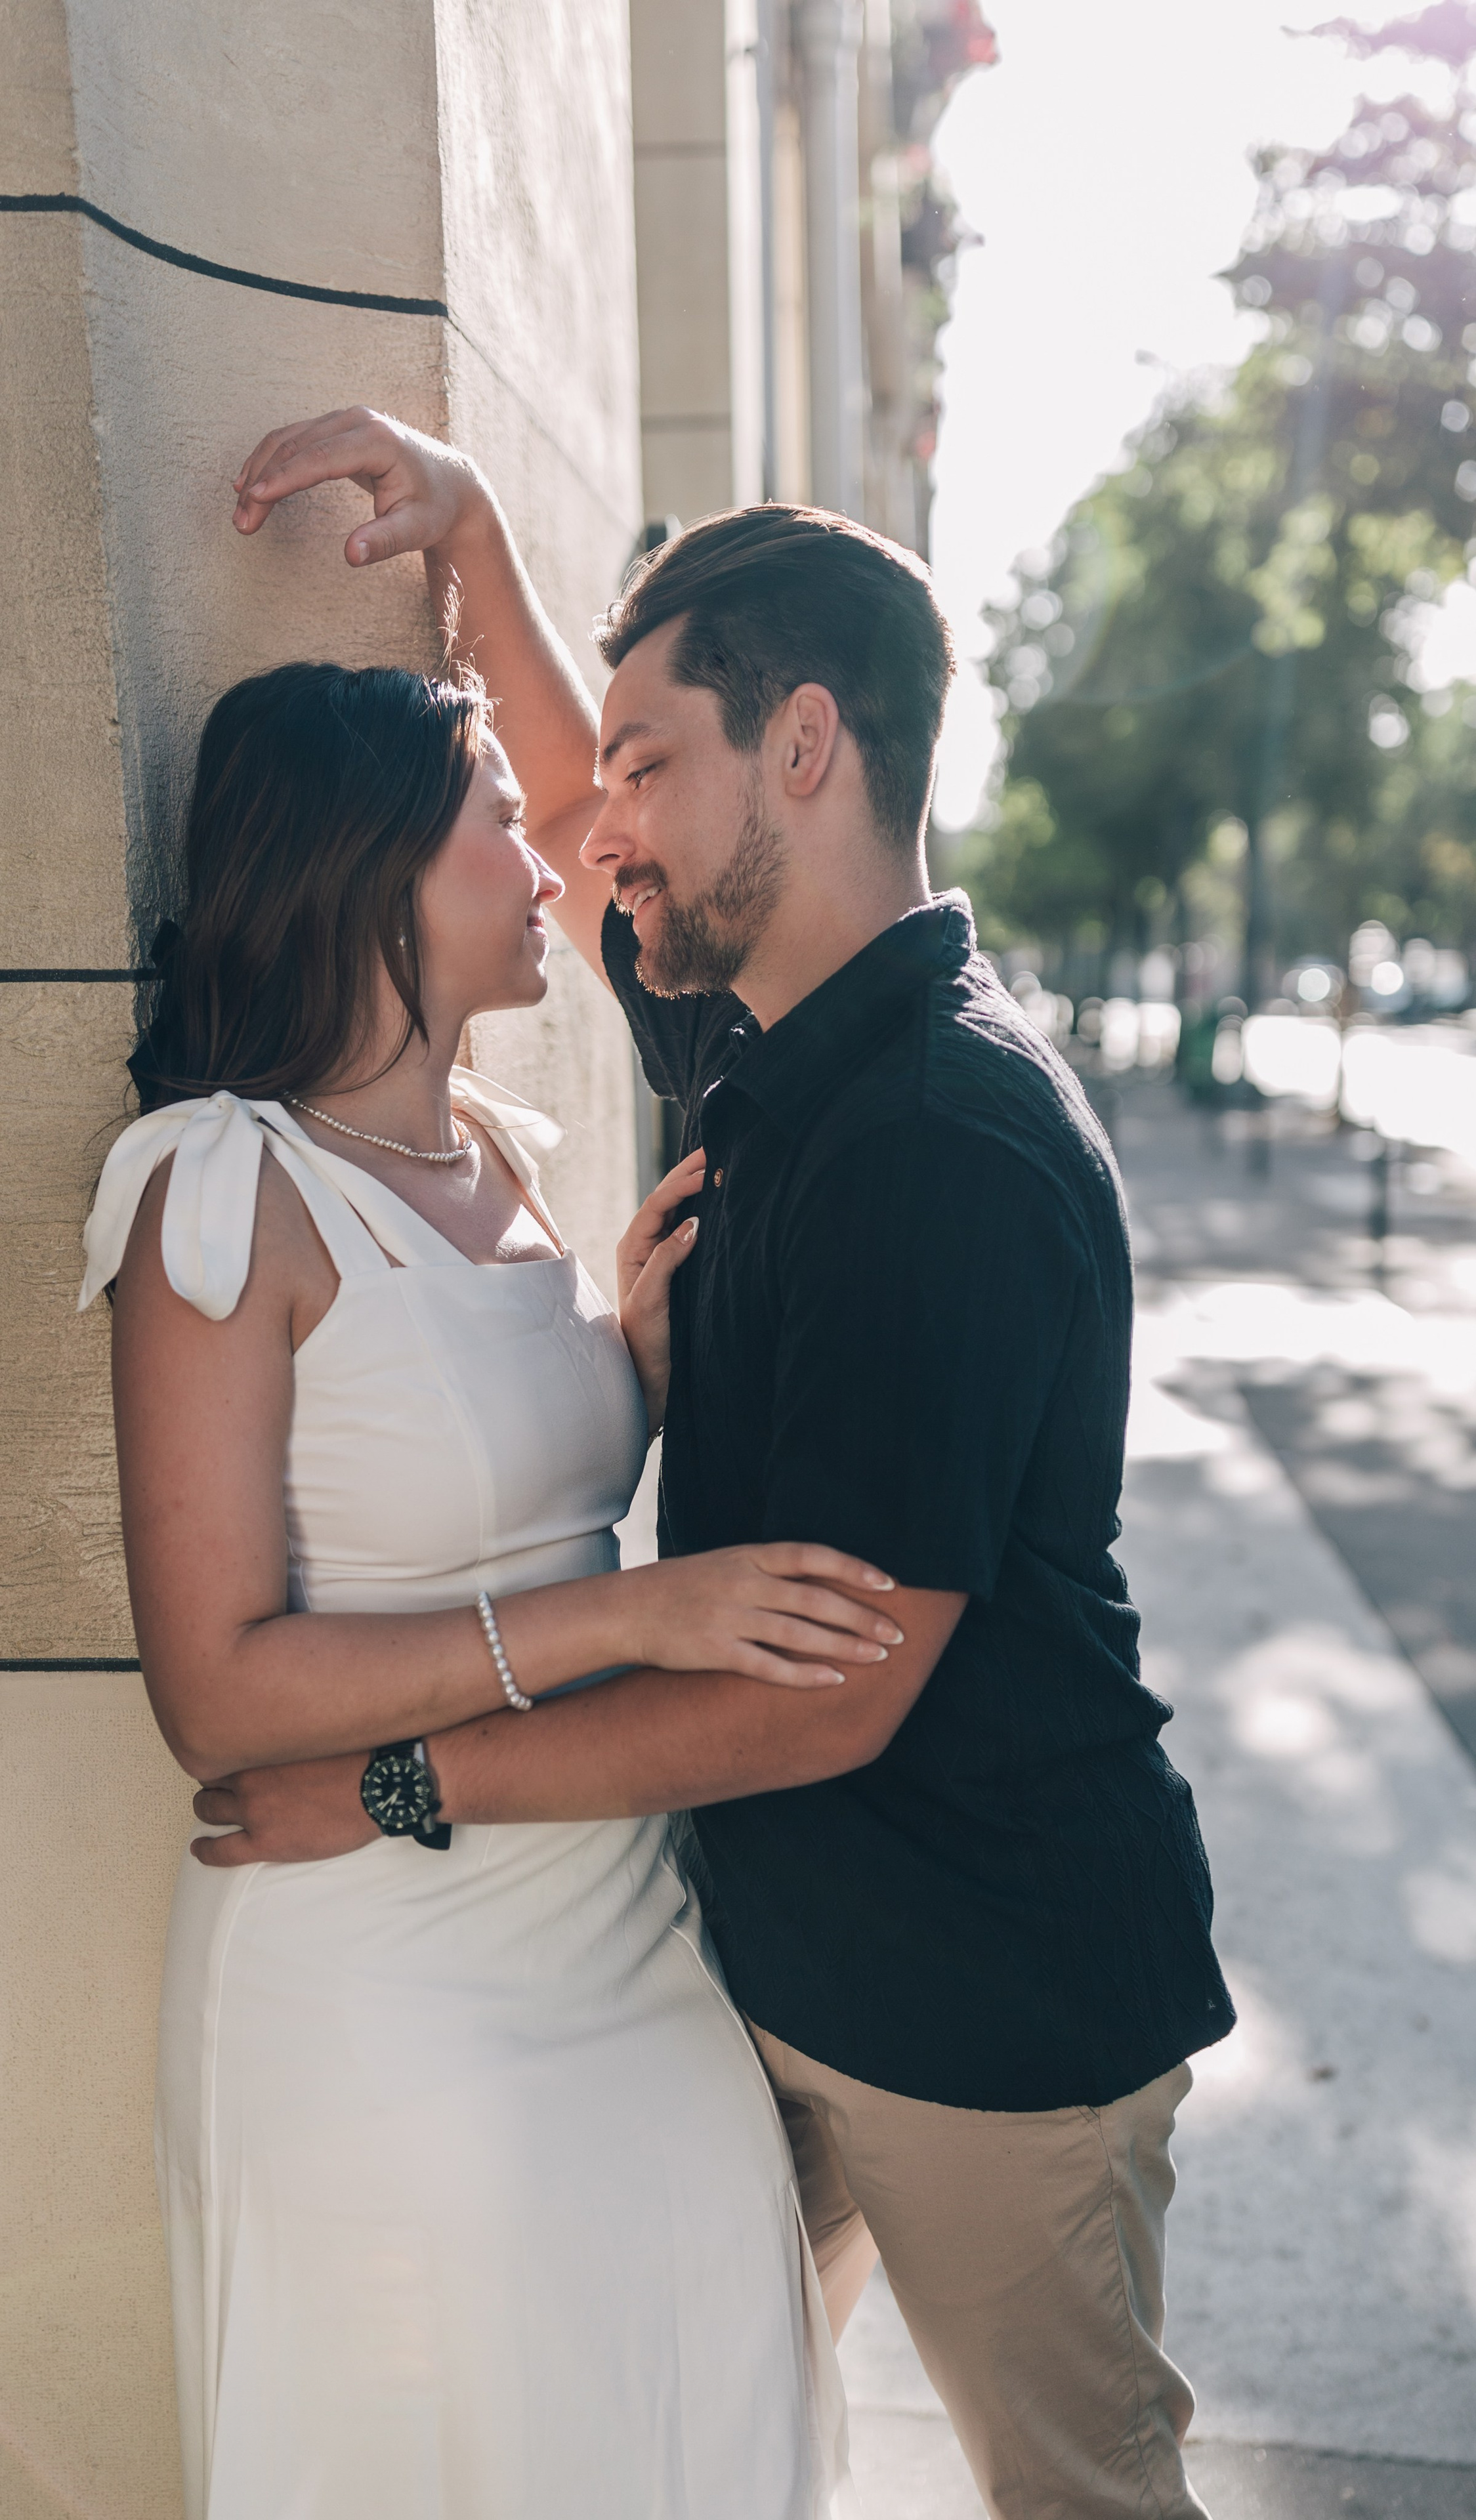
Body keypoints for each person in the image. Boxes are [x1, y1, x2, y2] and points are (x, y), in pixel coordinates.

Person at [205, 408, 1237, 2520]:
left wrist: (393, 1788)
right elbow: (563, 792)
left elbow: (823, 1701)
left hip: (990, 2013)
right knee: (677, 2440)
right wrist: (475, 533)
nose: (604, 834)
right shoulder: (763, 1029)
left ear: (807, 749)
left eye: (656, 767)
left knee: (1084, 2501)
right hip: (776, 1977)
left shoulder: (938, 1142)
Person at [83, 658, 902, 2517]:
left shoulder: (509, 1161)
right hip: (379, 1966)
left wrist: (629, 1377)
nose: (556, 868)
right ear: (370, 865)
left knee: (689, 2414)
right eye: (502, 827)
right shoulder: (222, 1188)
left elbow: (480, 1493)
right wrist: (635, 1617)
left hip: (629, 1924)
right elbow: (216, 1692)